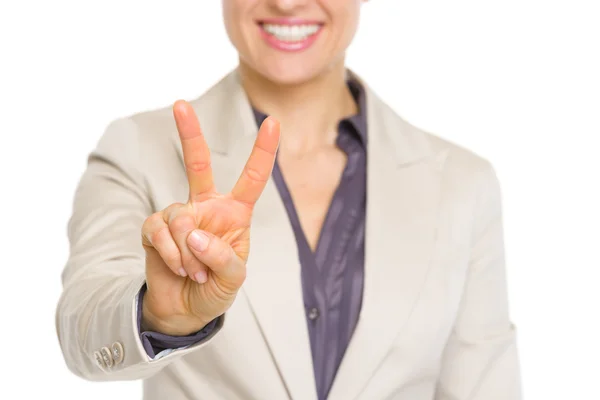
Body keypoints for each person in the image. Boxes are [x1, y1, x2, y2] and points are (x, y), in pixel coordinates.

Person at [56, 1, 522, 399]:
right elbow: (82, 324)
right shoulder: (137, 148)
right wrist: (158, 316)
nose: (285, 3)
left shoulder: (463, 183)